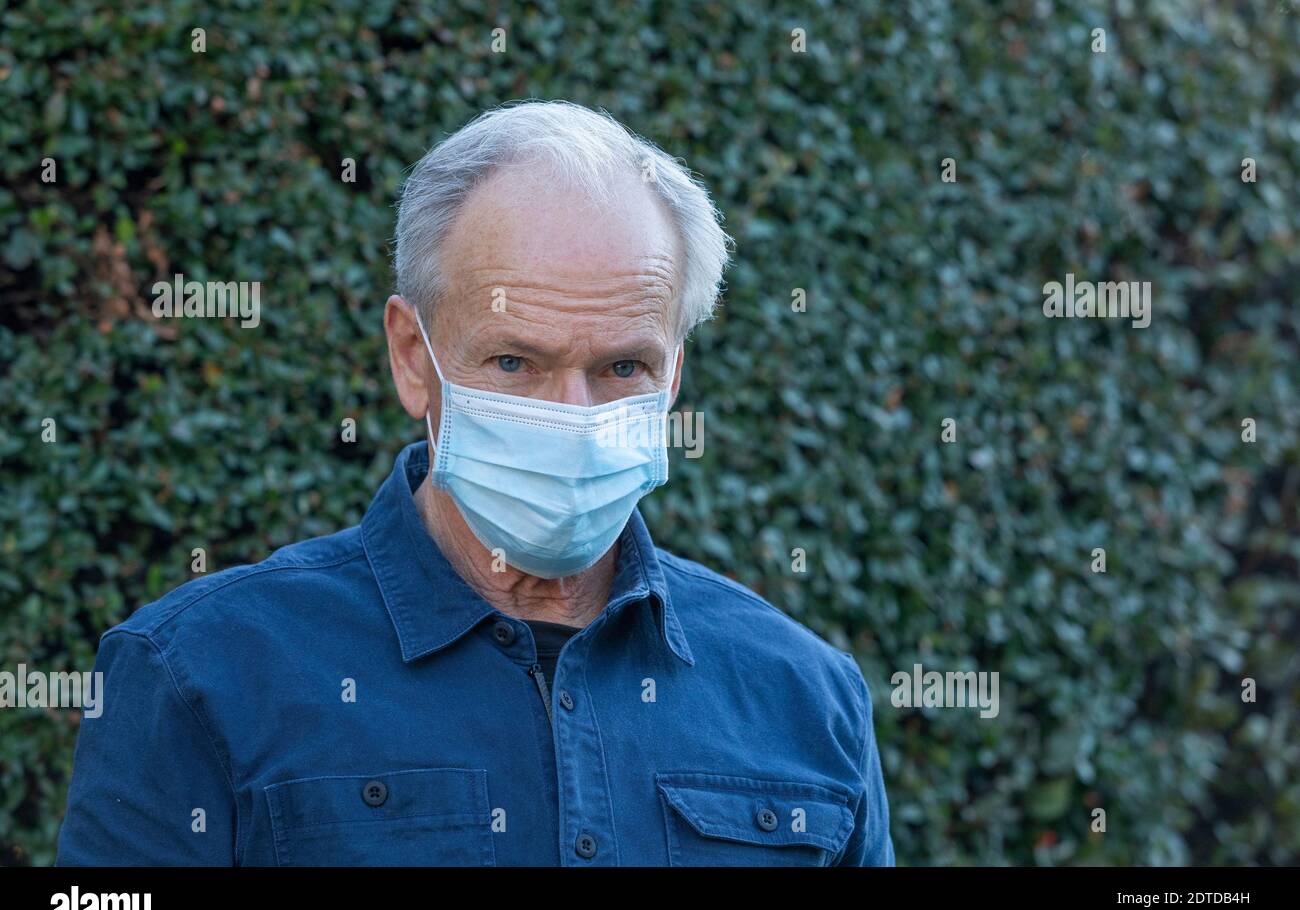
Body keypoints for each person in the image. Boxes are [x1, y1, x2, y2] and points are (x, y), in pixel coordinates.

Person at [56, 101, 894, 866]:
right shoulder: (200, 676)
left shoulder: (804, 697)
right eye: (513, 361)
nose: (574, 412)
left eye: (622, 365)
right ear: (414, 359)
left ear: (672, 378)